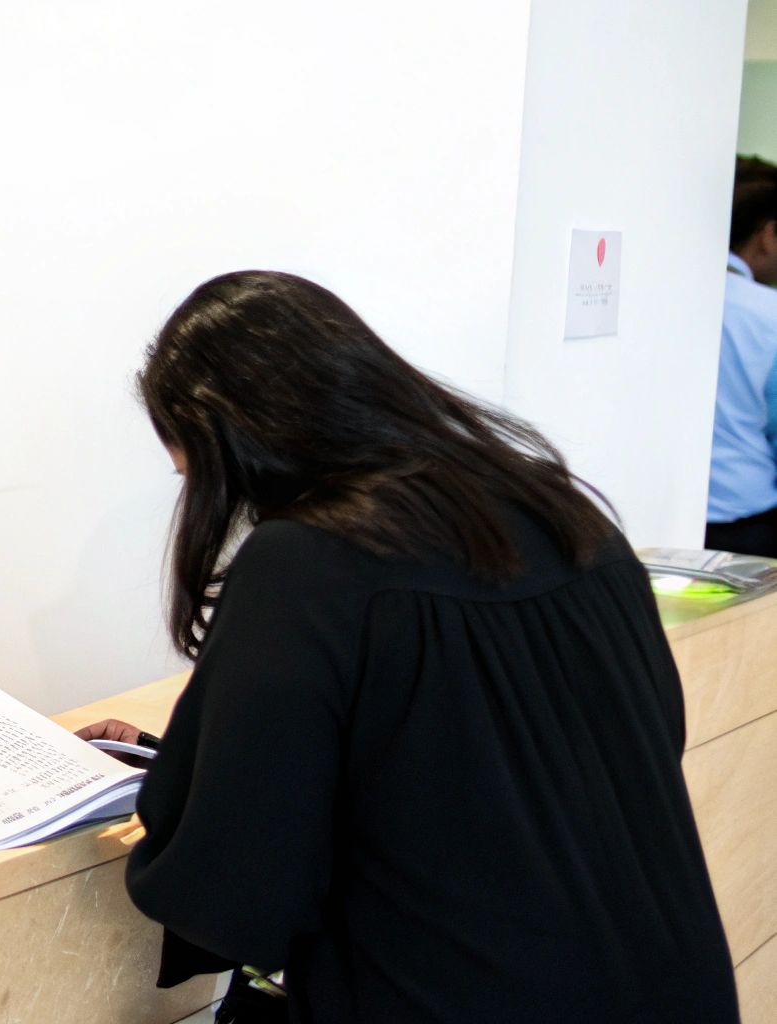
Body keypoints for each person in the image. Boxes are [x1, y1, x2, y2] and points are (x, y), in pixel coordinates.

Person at [81, 271, 738, 1021]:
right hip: (671, 982)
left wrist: (180, 792)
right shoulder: (563, 514)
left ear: (237, 444)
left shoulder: (306, 564)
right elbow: (512, 759)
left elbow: (238, 889)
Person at [708, 168, 777, 556]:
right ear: (768, 234)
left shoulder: (681, 292)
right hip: (747, 510)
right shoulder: (768, 310)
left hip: (671, 504)